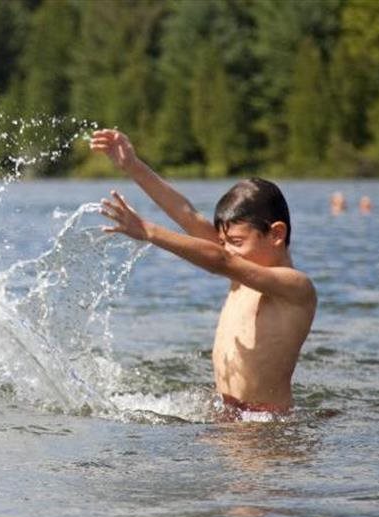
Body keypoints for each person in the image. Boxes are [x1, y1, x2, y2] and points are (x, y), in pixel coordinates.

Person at [89, 129, 317, 414]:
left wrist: (149, 231)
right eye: (224, 242)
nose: (228, 249)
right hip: (227, 416)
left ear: (276, 234)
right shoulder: (242, 270)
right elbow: (186, 214)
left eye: (236, 242)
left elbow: (221, 260)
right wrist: (133, 166)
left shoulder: (295, 287)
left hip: (266, 427)